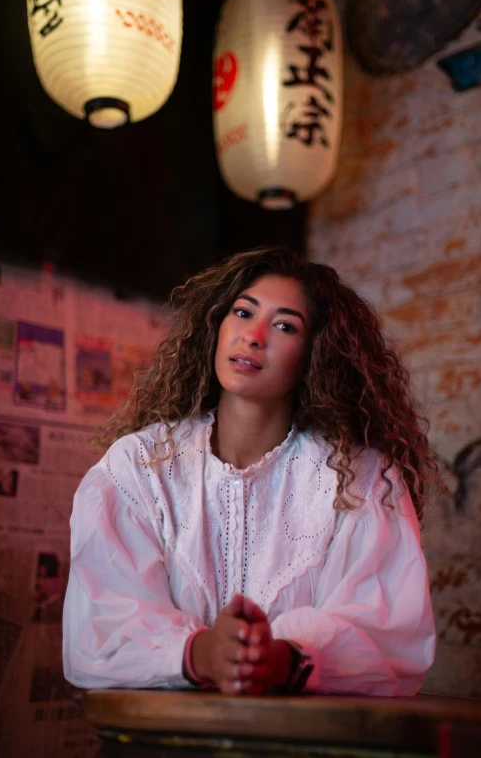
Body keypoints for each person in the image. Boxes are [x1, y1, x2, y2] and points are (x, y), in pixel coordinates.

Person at [63, 247, 437, 696]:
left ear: (316, 354)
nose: (254, 336)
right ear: (216, 327)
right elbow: (97, 631)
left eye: (284, 325)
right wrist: (202, 654)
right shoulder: (138, 467)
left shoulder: (361, 480)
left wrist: (284, 660)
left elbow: (391, 639)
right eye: (243, 312)